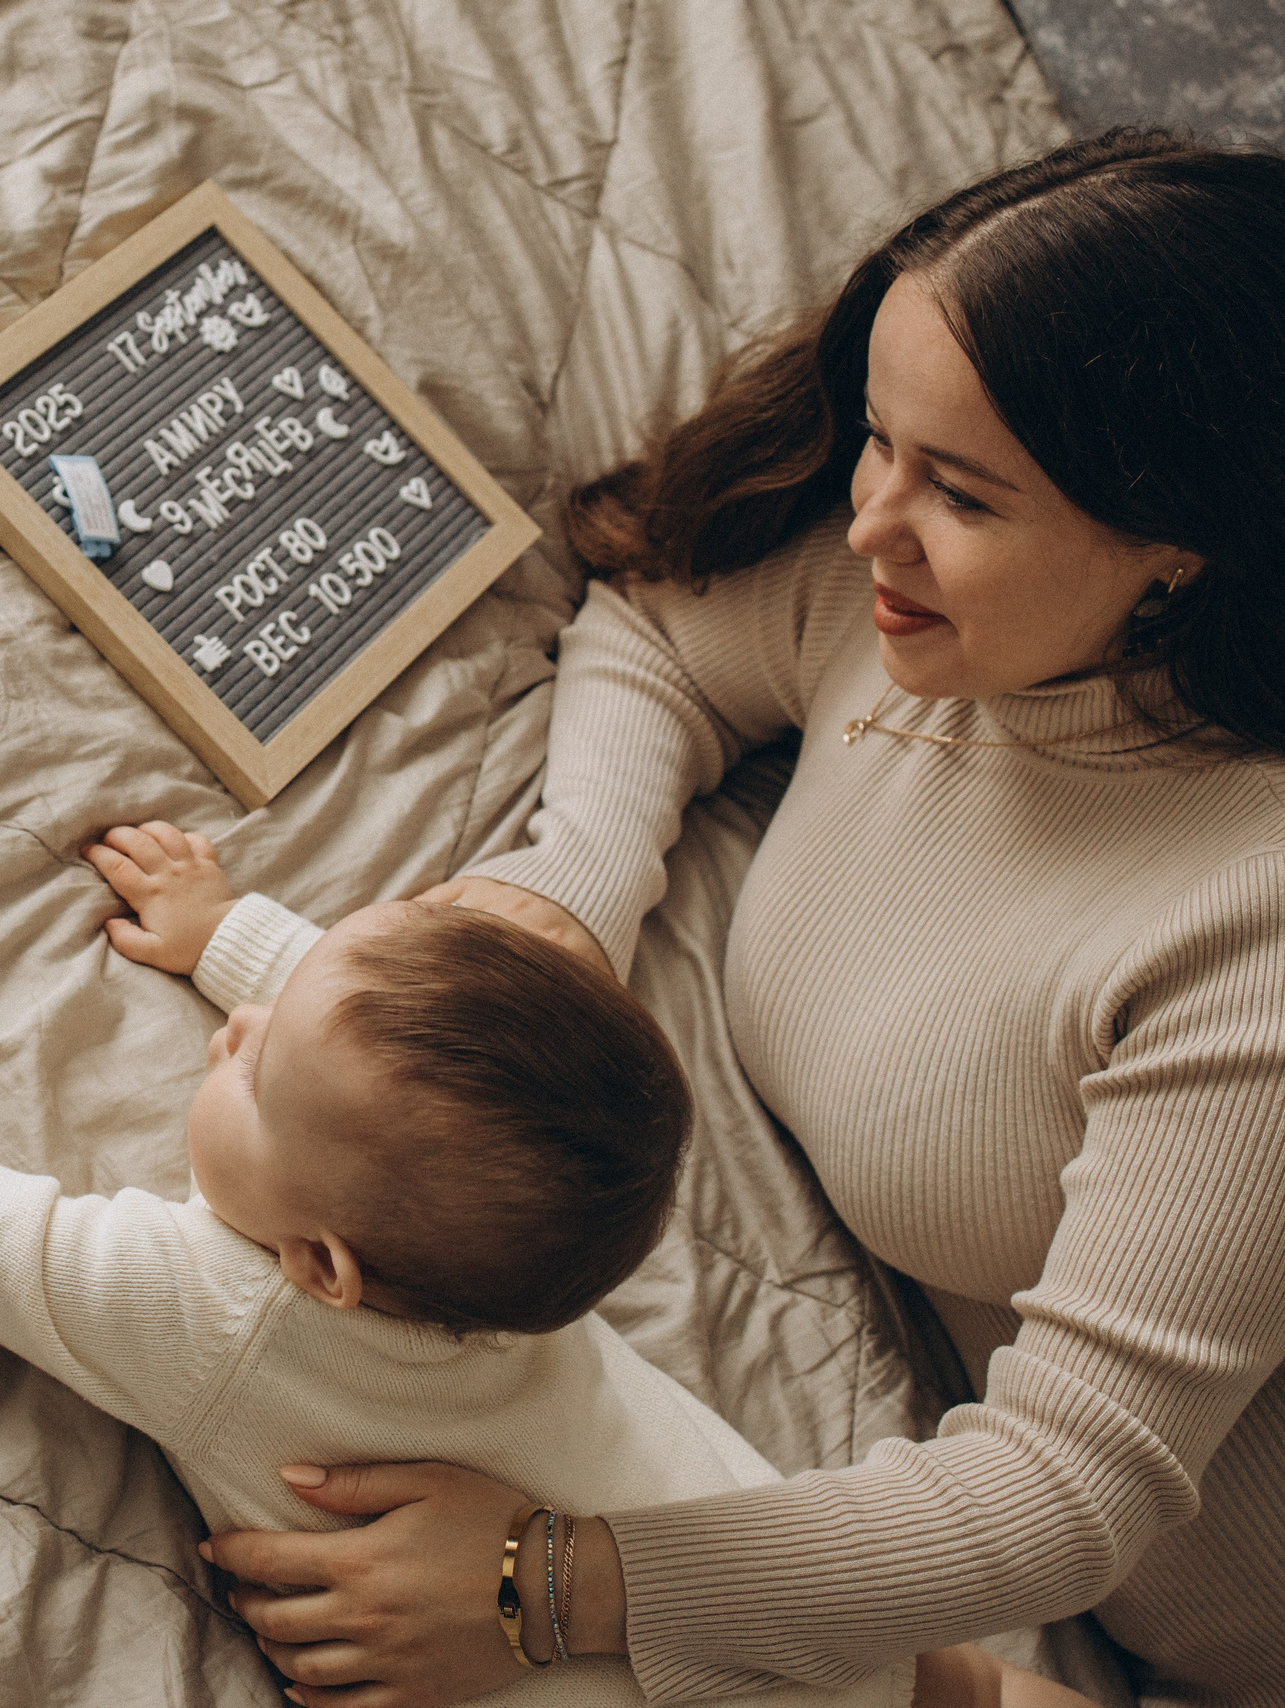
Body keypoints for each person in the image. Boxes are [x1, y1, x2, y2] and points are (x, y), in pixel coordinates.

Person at [131, 129, 1285, 1707]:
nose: (871, 519)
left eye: (959, 491)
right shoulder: (942, 598)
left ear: (1180, 552)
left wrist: (561, 1581)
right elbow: (663, 630)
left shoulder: (1247, 938)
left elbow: (1062, 1494)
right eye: (880, 438)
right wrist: (574, 890)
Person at [0, 890, 1075, 1708]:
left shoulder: (217, 1311)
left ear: (322, 1268)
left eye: (250, 1063)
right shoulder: (531, 1260)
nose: (234, 1030)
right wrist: (230, 936)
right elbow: (406, 1026)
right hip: (818, 1639)